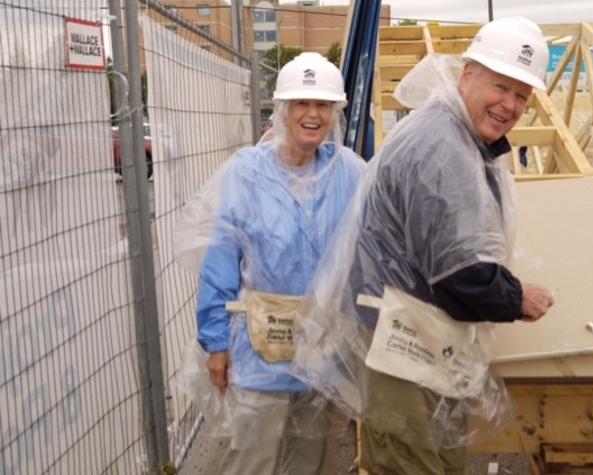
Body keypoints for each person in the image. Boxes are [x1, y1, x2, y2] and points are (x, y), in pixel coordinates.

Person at [290, 16, 554, 475]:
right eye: (501, 86)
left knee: (433, 459)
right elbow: (461, 274)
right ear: (468, 74)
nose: (510, 105)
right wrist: (517, 297)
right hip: (403, 347)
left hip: (417, 342)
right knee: (409, 463)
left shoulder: (452, 132)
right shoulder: (443, 146)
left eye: (522, 95)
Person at [175, 52, 365, 475]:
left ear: (335, 113)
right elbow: (221, 259)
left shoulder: (350, 173)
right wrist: (216, 343)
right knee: (253, 459)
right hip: (260, 350)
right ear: (283, 110)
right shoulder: (248, 172)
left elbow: (374, 246)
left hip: (321, 348)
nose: (312, 115)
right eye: (302, 104)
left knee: (308, 457)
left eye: (322, 106)